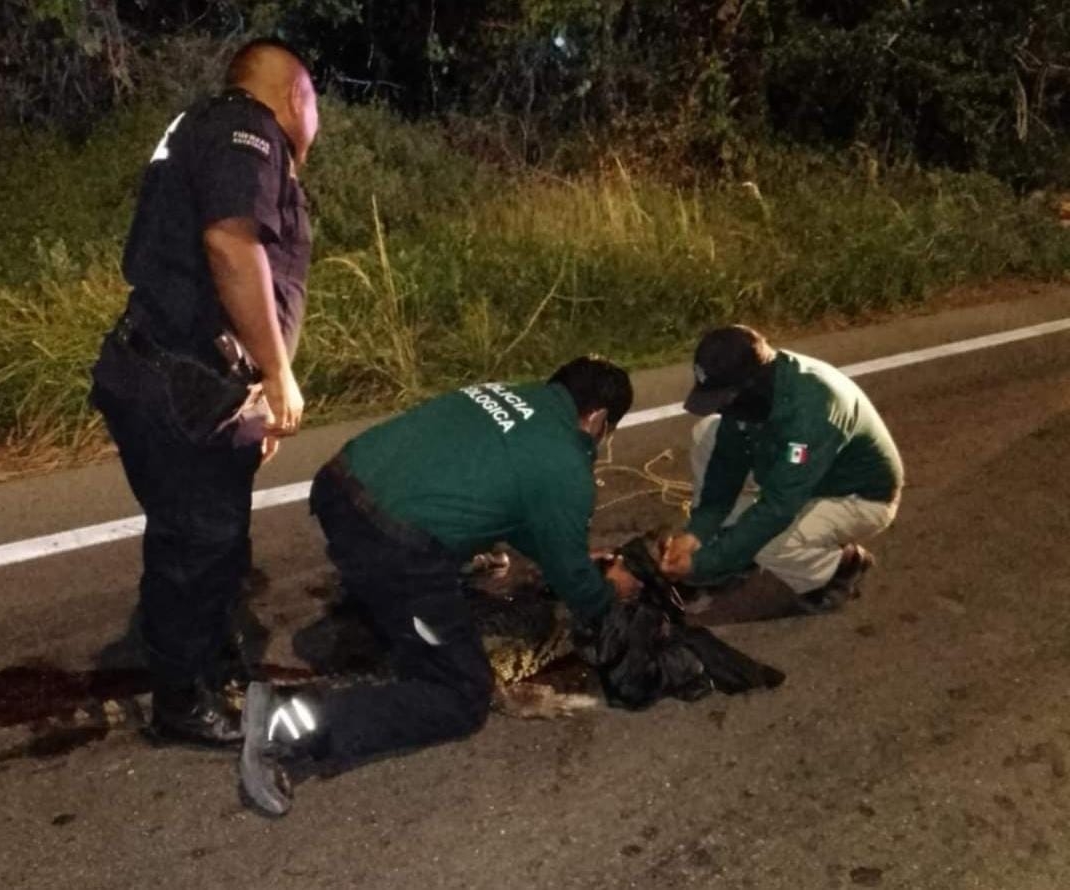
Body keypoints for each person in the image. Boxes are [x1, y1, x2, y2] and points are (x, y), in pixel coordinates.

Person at [238, 357, 644, 816]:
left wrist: (561, 554)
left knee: (463, 549)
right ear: (598, 420)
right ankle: (287, 721)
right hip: (390, 543)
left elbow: (520, 502)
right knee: (461, 695)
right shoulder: (566, 462)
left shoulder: (506, 392)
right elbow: (578, 589)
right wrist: (610, 593)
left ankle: (382, 599)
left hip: (337, 490)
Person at [89, 38, 319, 746]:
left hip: (181, 376)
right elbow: (230, 244)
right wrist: (278, 375)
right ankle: (182, 701)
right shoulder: (242, 127)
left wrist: (258, 392)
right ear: (294, 97)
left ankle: (200, 658)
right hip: (180, 380)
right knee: (199, 541)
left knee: (203, 538)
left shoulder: (207, 129)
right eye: (314, 104)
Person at [661, 325, 903, 619]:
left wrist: (703, 564)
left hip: (858, 496)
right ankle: (730, 542)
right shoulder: (756, 392)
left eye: (725, 399)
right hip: (799, 473)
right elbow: (725, 466)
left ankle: (840, 568)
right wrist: (697, 532)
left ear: (753, 385)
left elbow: (777, 508)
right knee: (707, 434)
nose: (723, 408)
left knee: (771, 543)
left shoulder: (813, 409)